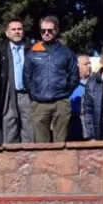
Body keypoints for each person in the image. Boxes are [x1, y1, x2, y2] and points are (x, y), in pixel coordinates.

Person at [23, 15, 79, 143]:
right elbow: (27, 77)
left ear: (57, 30)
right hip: (39, 103)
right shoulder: (32, 52)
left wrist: (65, 92)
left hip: (61, 102)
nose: (46, 33)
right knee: (41, 145)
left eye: (50, 30)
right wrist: (34, 94)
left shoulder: (66, 52)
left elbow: (74, 76)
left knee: (61, 143)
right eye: (43, 31)